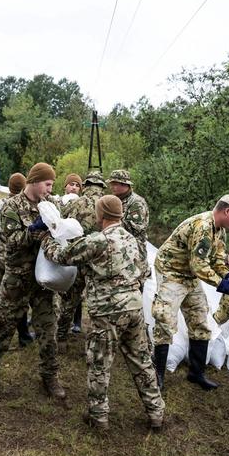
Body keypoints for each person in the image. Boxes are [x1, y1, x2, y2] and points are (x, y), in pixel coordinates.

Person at [43, 196, 165, 432]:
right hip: (134, 308)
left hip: (107, 311)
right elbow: (145, 272)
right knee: (141, 361)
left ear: (101, 215)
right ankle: (156, 412)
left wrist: (48, 240)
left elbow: (62, 256)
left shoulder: (97, 240)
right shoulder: (133, 240)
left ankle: (98, 417)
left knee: (99, 363)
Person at [0, 162, 65, 399]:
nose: (50, 189)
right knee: (1, 324)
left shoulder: (53, 205)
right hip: (17, 278)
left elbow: (60, 234)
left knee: (48, 329)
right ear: (34, 181)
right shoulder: (10, 207)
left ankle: (50, 377)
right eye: (47, 184)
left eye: (52, 185)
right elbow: (10, 241)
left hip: (45, 279)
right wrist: (34, 230)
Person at [151, 194, 229, 391]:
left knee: (200, 321)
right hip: (172, 271)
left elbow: (217, 260)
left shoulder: (220, 231)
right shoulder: (204, 226)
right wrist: (223, 285)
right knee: (165, 319)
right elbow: (199, 265)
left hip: (189, 275)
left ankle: (196, 373)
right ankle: (157, 375)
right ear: (227, 211)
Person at [0, 173, 33, 348]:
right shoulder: (23, 207)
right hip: (15, 258)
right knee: (19, 297)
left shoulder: (0, 204)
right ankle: (24, 335)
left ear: (9, 187)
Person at [56, 172, 101, 343]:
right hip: (97, 258)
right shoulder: (107, 203)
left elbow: (62, 220)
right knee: (97, 298)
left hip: (78, 254)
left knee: (70, 298)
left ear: (85, 185)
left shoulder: (77, 202)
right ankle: (97, 337)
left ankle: (61, 334)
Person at [107, 170, 151, 288]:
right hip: (120, 250)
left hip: (135, 251)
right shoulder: (116, 200)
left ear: (125, 185)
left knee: (136, 284)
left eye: (115, 184)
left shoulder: (136, 202)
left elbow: (137, 228)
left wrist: (112, 220)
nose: (112, 187)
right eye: (112, 184)